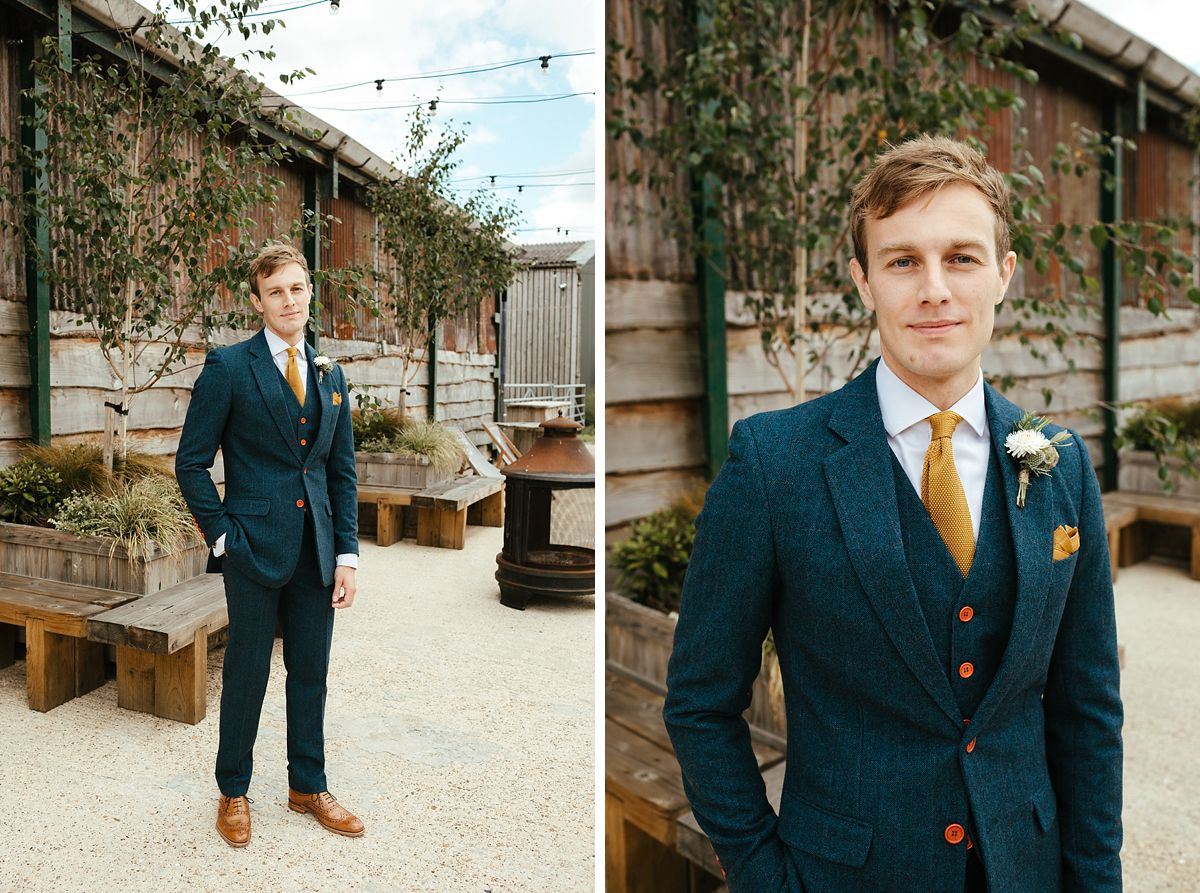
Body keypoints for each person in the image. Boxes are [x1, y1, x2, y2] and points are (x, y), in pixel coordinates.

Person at [663, 135, 1122, 893]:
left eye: (962, 258)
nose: (934, 288)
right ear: (864, 280)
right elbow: (701, 703)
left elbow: (1089, 711)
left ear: (1004, 275)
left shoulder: (1062, 464)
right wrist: (761, 870)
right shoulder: (775, 465)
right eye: (903, 260)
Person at [176, 242, 365, 847]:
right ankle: (233, 790)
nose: (290, 300)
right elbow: (190, 464)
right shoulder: (230, 368)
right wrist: (225, 535)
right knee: (248, 674)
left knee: (311, 674)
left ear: (311, 293)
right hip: (253, 550)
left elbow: (341, 474)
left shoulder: (331, 374)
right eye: (277, 291)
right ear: (257, 301)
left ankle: (308, 785)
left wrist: (347, 554)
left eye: (298, 288)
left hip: (316, 551)